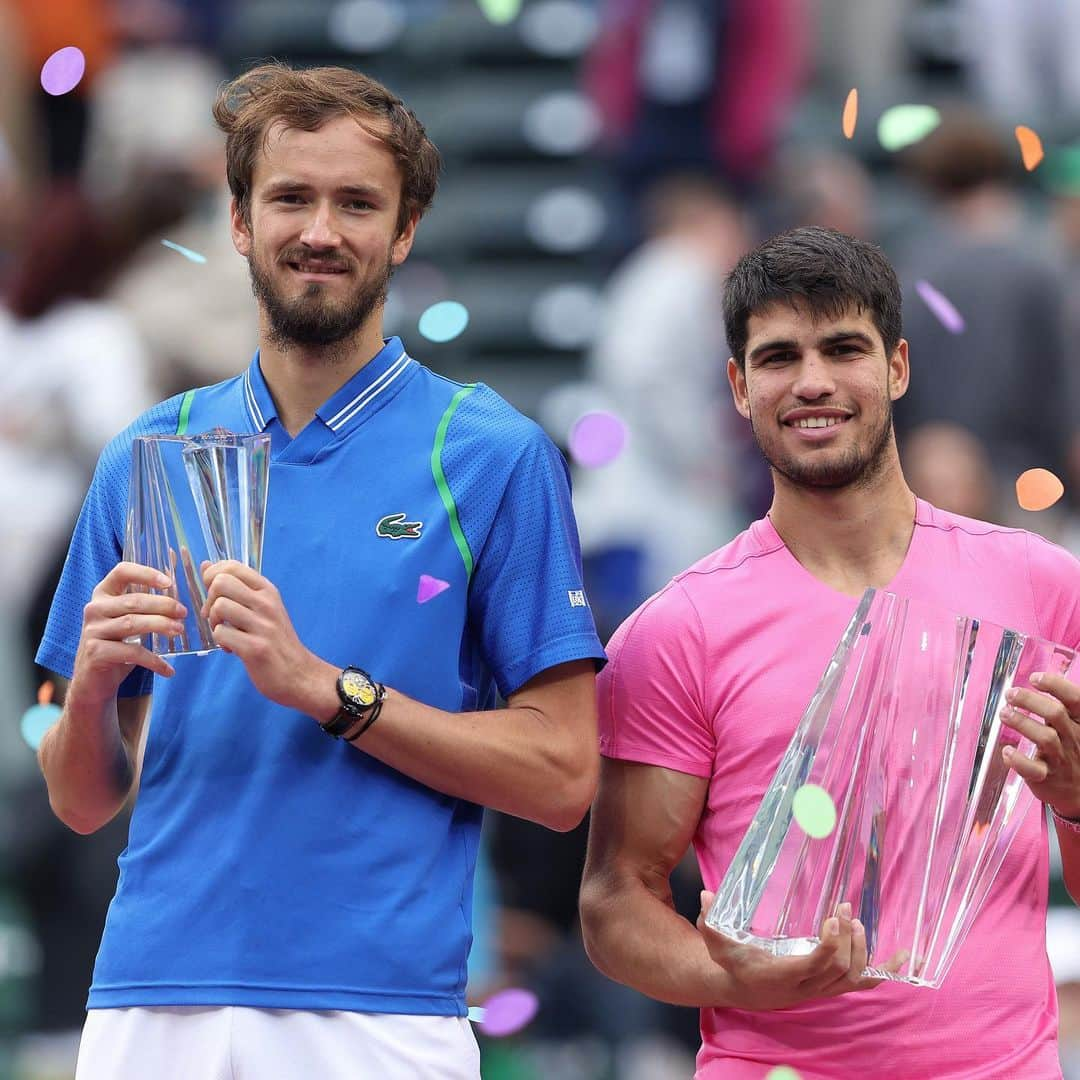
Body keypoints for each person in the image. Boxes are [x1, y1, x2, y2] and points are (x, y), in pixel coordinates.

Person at [35, 62, 605, 1080]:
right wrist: (86, 692)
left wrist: (324, 690)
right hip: (148, 999)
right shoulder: (147, 451)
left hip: (375, 1012)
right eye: (291, 198)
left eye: (357, 203)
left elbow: (564, 779)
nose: (320, 231)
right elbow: (82, 800)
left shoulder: (490, 453)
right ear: (242, 222)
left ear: (405, 229)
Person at [579, 225, 1080, 1079]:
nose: (813, 382)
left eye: (843, 348)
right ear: (739, 387)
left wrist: (1075, 801)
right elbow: (615, 900)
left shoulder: (1042, 585)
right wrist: (736, 977)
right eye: (779, 358)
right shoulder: (677, 629)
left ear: (897, 367)